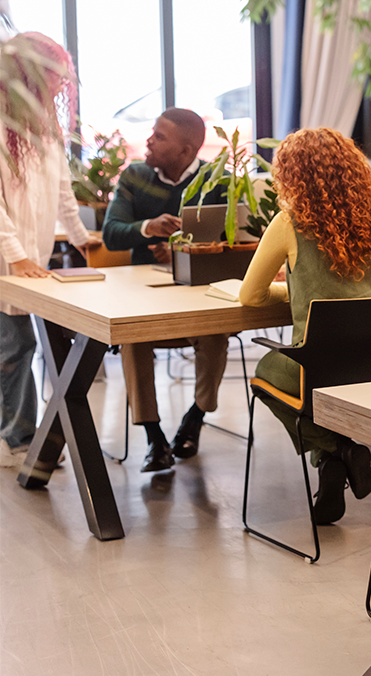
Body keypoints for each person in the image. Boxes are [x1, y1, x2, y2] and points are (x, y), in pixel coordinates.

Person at [240, 128, 371, 524]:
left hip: (317, 365)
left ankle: (338, 451)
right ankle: (331, 462)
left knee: (265, 374)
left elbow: (250, 297)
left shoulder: (288, 223)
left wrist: (294, 296)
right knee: (316, 386)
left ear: (292, 176)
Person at [102, 108, 230, 473]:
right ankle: (154, 437)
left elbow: (231, 237)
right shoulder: (134, 176)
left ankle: (196, 417)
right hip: (143, 291)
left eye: (159, 137)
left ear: (186, 151)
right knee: (133, 337)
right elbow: (112, 233)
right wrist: (148, 228)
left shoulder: (215, 179)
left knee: (216, 332)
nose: (149, 141)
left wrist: (182, 250)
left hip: (197, 292)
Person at [0, 33, 96, 468]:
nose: (62, 85)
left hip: (30, 262)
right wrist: (14, 254)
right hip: (9, 262)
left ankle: (20, 436)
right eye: (55, 77)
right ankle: (17, 440)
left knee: (22, 347)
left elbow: (62, 192)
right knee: (14, 347)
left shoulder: (43, 128)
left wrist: (81, 237)